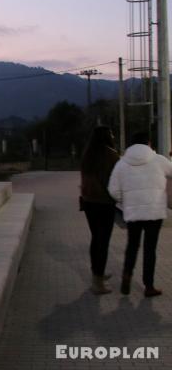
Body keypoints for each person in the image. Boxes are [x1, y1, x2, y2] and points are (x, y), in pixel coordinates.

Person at [108, 132, 172, 297]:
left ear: (130, 145)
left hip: (133, 212)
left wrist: (126, 201)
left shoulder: (122, 163)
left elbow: (113, 190)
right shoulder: (159, 160)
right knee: (150, 249)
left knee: (132, 246)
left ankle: (127, 275)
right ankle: (149, 286)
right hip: (154, 212)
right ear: (149, 143)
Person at [80, 126, 120, 294]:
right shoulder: (111, 155)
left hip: (88, 202)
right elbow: (116, 180)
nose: (113, 134)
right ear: (106, 136)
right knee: (103, 242)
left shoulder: (87, 154)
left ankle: (98, 273)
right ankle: (98, 283)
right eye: (111, 133)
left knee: (96, 239)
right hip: (105, 203)